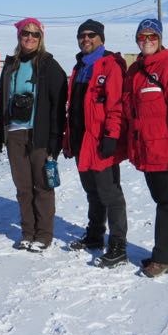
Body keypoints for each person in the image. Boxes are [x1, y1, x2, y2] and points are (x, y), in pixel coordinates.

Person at [123, 18, 168, 277]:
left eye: (152, 37)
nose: (147, 41)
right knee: (163, 201)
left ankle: (164, 257)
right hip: (148, 151)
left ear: (161, 39)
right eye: (142, 37)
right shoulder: (135, 71)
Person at [0, 17, 67, 252]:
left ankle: (44, 234)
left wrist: (55, 138)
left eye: (35, 34)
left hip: (40, 135)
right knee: (23, 187)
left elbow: (58, 105)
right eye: (26, 33)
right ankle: (27, 231)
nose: (30, 38)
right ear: (19, 35)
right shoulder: (11, 65)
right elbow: (1, 100)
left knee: (43, 186)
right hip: (15, 134)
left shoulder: (48, 66)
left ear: (41, 38)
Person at [63, 19, 128, 268]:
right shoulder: (80, 66)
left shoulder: (110, 65)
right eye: (82, 35)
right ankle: (95, 235)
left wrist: (112, 136)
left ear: (101, 38)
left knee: (110, 194)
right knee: (92, 192)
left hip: (101, 142)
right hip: (82, 142)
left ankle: (119, 244)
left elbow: (116, 106)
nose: (86, 39)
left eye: (91, 35)